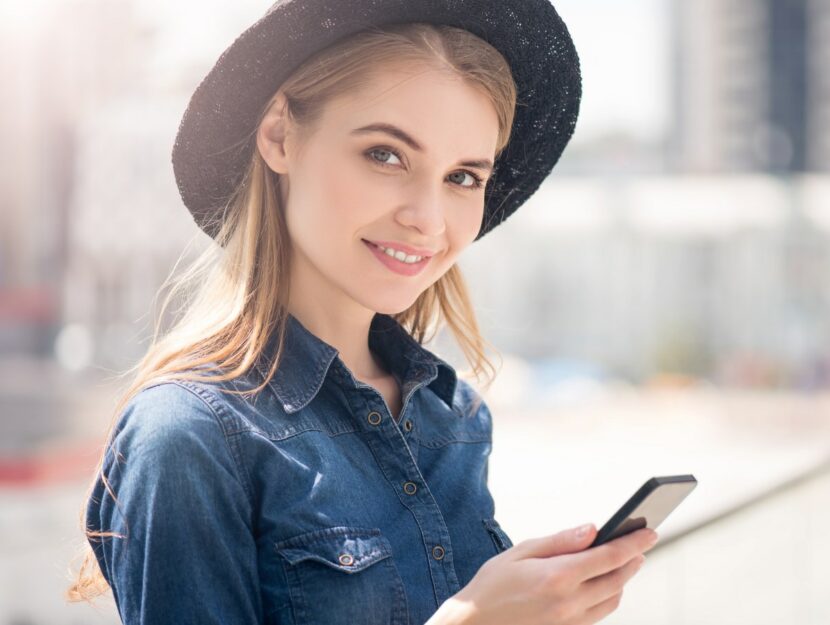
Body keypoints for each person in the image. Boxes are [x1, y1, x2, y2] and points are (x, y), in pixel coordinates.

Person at [66, 1, 660, 623]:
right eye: (386, 155)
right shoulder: (187, 437)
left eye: (462, 177)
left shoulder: (451, 417)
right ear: (279, 136)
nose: (428, 218)